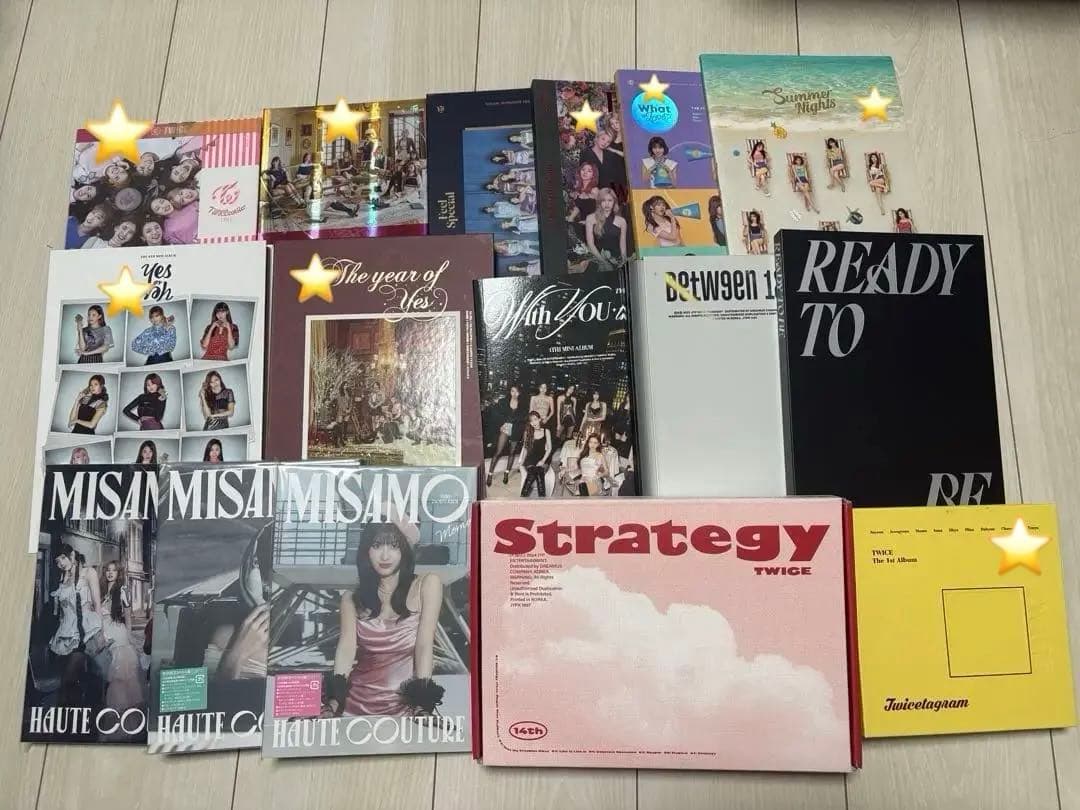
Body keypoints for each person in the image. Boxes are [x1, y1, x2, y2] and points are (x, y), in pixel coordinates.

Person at [323, 521, 445, 719]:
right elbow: (345, 651)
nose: (385, 556)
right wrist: (333, 702)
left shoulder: (427, 585)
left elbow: (424, 646)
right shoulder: (350, 599)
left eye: (394, 546)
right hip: (353, 707)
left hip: (405, 708)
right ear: (366, 551)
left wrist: (422, 704)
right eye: (377, 545)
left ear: (404, 550)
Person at [49, 545, 107, 709]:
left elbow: (97, 604)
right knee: (72, 683)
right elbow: (62, 613)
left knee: (70, 679)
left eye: (62, 558)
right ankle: (75, 716)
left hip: (85, 632)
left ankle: (80, 713)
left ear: (72, 555)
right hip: (65, 634)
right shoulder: (62, 578)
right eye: (57, 561)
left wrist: (102, 633)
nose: (60, 563)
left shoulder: (88, 573)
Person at [98, 561, 146, 717]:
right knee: (106, 670)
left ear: (118, 573)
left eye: (114, 570)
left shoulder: (123, 590)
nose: (110, 573)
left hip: (118, 632)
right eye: (108, 570)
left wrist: (129, 635)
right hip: (103, 632)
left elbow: (127, 615)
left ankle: (120, 706)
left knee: (120, 673)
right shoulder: (101, 590)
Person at [486, 385, 525, 487]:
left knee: (512, 452)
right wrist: (501, 424)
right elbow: (495, 413)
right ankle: (490, 474)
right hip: (506, 427)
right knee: (498, 452)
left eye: (516, 392)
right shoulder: (503, 401)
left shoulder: (522, 405)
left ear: (519, 393)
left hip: (516, 429)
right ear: (510, 392)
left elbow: (523, 418)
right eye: (512, 391)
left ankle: (506, 473)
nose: (514, 394)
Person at [584, 188, 627, 270]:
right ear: (599, 202)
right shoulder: (590, 218)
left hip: (616, 259)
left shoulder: (621, 221)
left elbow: (622, 244)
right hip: (597, 257)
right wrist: (603, 262)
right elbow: (590, 244)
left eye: (610, 200)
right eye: (603, 200)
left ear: (614, 202)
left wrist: (624, 261)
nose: (607, 204)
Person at [517, 411, 552, 497]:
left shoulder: (546, 431)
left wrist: (543, 460)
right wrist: (522, 461)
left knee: (538, 471)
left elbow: (549, 448)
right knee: (534, 472)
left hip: (543, 458)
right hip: (531, 459)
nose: (534, 423)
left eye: (535, 419)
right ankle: (540, 497)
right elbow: (525, 448)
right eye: (531, 421)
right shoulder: (528, 432)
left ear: (540, 419)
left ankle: (523, 496)